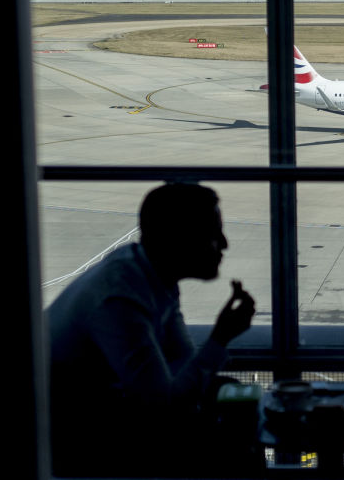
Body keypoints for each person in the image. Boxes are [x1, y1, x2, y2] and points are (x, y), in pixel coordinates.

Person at [47, 183, 258, 478]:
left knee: (229, 393)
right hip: (73, 438)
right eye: (212, 233)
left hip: (102, 409)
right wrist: (220, 339)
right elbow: (163, 408)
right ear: (179, 241)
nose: (224, 244)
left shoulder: (149, 271)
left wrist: (216, 347)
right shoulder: (120, 299)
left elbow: (181, 361)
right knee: (229, 443)